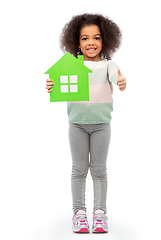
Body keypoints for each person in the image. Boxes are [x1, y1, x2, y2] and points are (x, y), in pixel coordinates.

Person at [46, 13, 127, 233]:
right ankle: (79, 213)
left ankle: (99, 214)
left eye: (97, 38)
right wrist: (52, 85)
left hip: (102, 126)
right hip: (77, 125)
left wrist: (120, 80)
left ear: (105, 40)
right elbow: (58, 83)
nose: (91, 42)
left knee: (99, 170)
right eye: (85, 38)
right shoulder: (72, 65)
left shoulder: (109, 65)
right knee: (79, 169)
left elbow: (114, 76)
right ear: (76, 42)